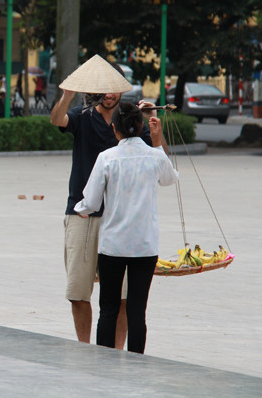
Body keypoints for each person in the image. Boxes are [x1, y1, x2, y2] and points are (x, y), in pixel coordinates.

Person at [50, 55, 165, 347]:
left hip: (122, 217)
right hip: (82, 213)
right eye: (106, 88)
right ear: (98, 90)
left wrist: (150, 125)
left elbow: (158, 162)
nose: (111, 94)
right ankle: (85, 347)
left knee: (124, 296)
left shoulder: (131, 121)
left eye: (116, 88)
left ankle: (115, 351)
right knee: (78, 290)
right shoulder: (81, 115)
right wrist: (67, 96)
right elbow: (56, 120)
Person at [74, 102, 178, 354]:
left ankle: (104, 364)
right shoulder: (154, 156)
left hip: (113, 246)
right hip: (145, 245)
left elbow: (91, 201)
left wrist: (81, 210)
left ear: (114, 128)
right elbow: (170, 178)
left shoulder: (107, 158)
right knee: (137, 309)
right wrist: (157, 141)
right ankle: (136, 362)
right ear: (141, 125)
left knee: (108, 308)